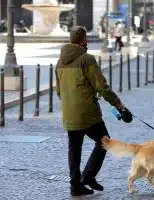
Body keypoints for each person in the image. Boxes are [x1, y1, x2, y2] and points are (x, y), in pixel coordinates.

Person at [55, 26, 128, 196]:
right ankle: (87, 176)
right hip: (87, 113)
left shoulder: (60, 62)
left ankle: (75, 186)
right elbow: (102, 87)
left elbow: (59, 91)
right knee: (104, 142)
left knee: (74, 149)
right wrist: (120, 106)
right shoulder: (86, 59)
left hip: (69, 114)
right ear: (84, 40)